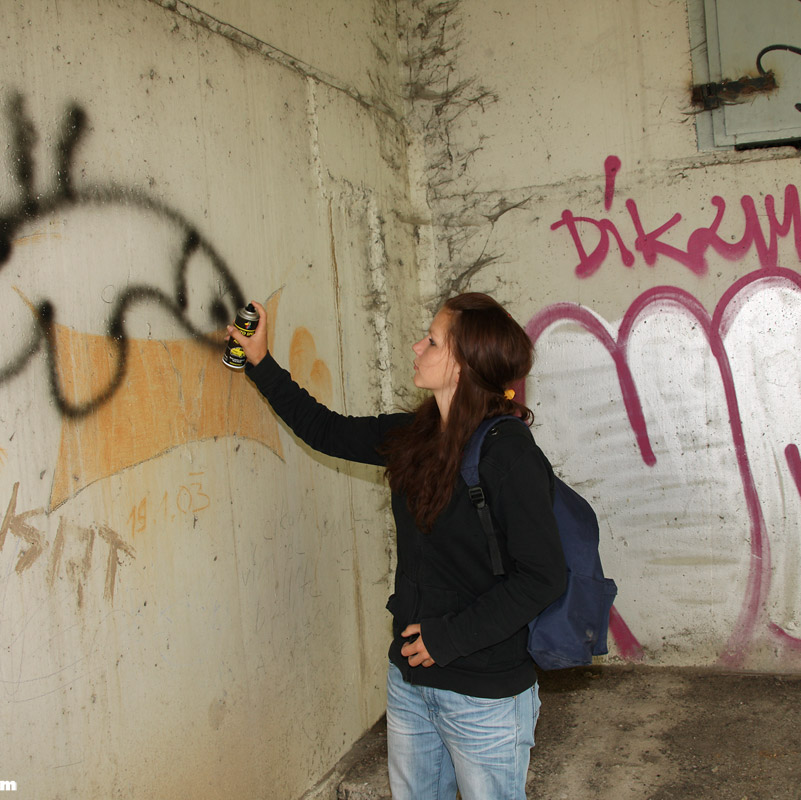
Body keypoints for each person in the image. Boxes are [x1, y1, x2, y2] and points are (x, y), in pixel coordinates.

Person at [228, 292, 566, 800]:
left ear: (462, 365)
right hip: (411, 683)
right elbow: (326, 430)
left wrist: (447, 639)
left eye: (432, 341)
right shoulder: (415, 434)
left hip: (483, 696)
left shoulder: (509, 455)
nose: (416, 346)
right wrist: (260, 362)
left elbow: (542, 576)